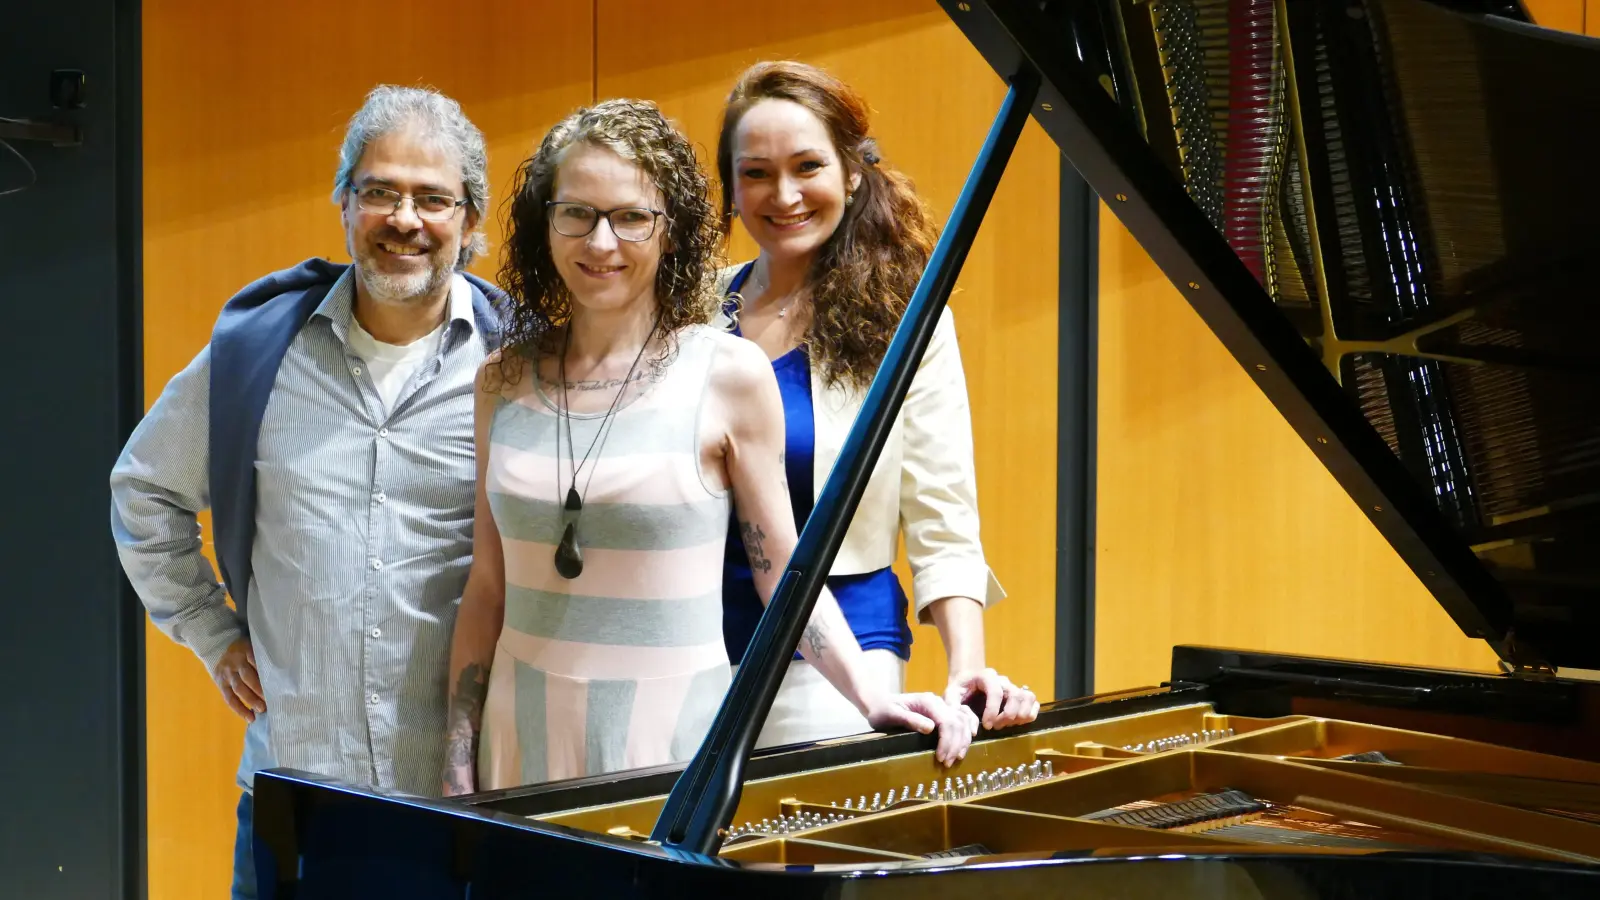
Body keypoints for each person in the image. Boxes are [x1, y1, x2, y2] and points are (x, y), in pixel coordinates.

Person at [440, 98, 976, 796]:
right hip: (520, 729)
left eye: (632, 217)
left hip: (669, 739)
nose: (602, 243)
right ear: (546, 223)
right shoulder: (499, 380)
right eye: (577, 213)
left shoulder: (726, 372)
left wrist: (870, 698)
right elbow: (486, 587)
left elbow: (783, 573)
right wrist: (458, 757)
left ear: (673, 232)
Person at [110, 85, 504, 899]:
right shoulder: (259, 352)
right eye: (380, 192)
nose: (405, 219)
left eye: (434, 198)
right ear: (343, 203)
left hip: (469, 804)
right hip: (297, 798)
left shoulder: (519, 367)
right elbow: (145, 491)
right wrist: (209, 630)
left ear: (471, 221)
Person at [712, 61, 1041, 749]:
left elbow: (942, 517)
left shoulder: (907, 321)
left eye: (808, 166)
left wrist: (967, 669)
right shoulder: (694, 309)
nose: (784, 194)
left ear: (852, 173)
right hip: (687, 644)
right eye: (757, 173)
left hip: (841, 659)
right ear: (731, 186)